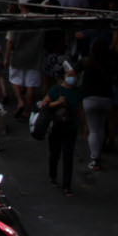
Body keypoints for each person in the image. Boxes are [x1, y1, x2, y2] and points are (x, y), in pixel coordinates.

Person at [40, 60, 79, 193]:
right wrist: (57, 103)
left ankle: (67, 185)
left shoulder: (78, 92)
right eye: (71, 74)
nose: (73, 77)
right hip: (56, 127)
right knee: (55, 153)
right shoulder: (55, 90)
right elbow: (44, 105)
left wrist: (85, 127)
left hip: (71, 127)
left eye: (75, 75)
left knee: (68, 156)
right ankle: (52, 176)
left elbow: (82, 110)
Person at [80, 47, 117, 172]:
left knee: (93, 129)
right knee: (101, 127)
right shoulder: (110, 65)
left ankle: (94, 158)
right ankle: (98, 154)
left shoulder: (87, 64)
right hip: (106, 99)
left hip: (89, 99)